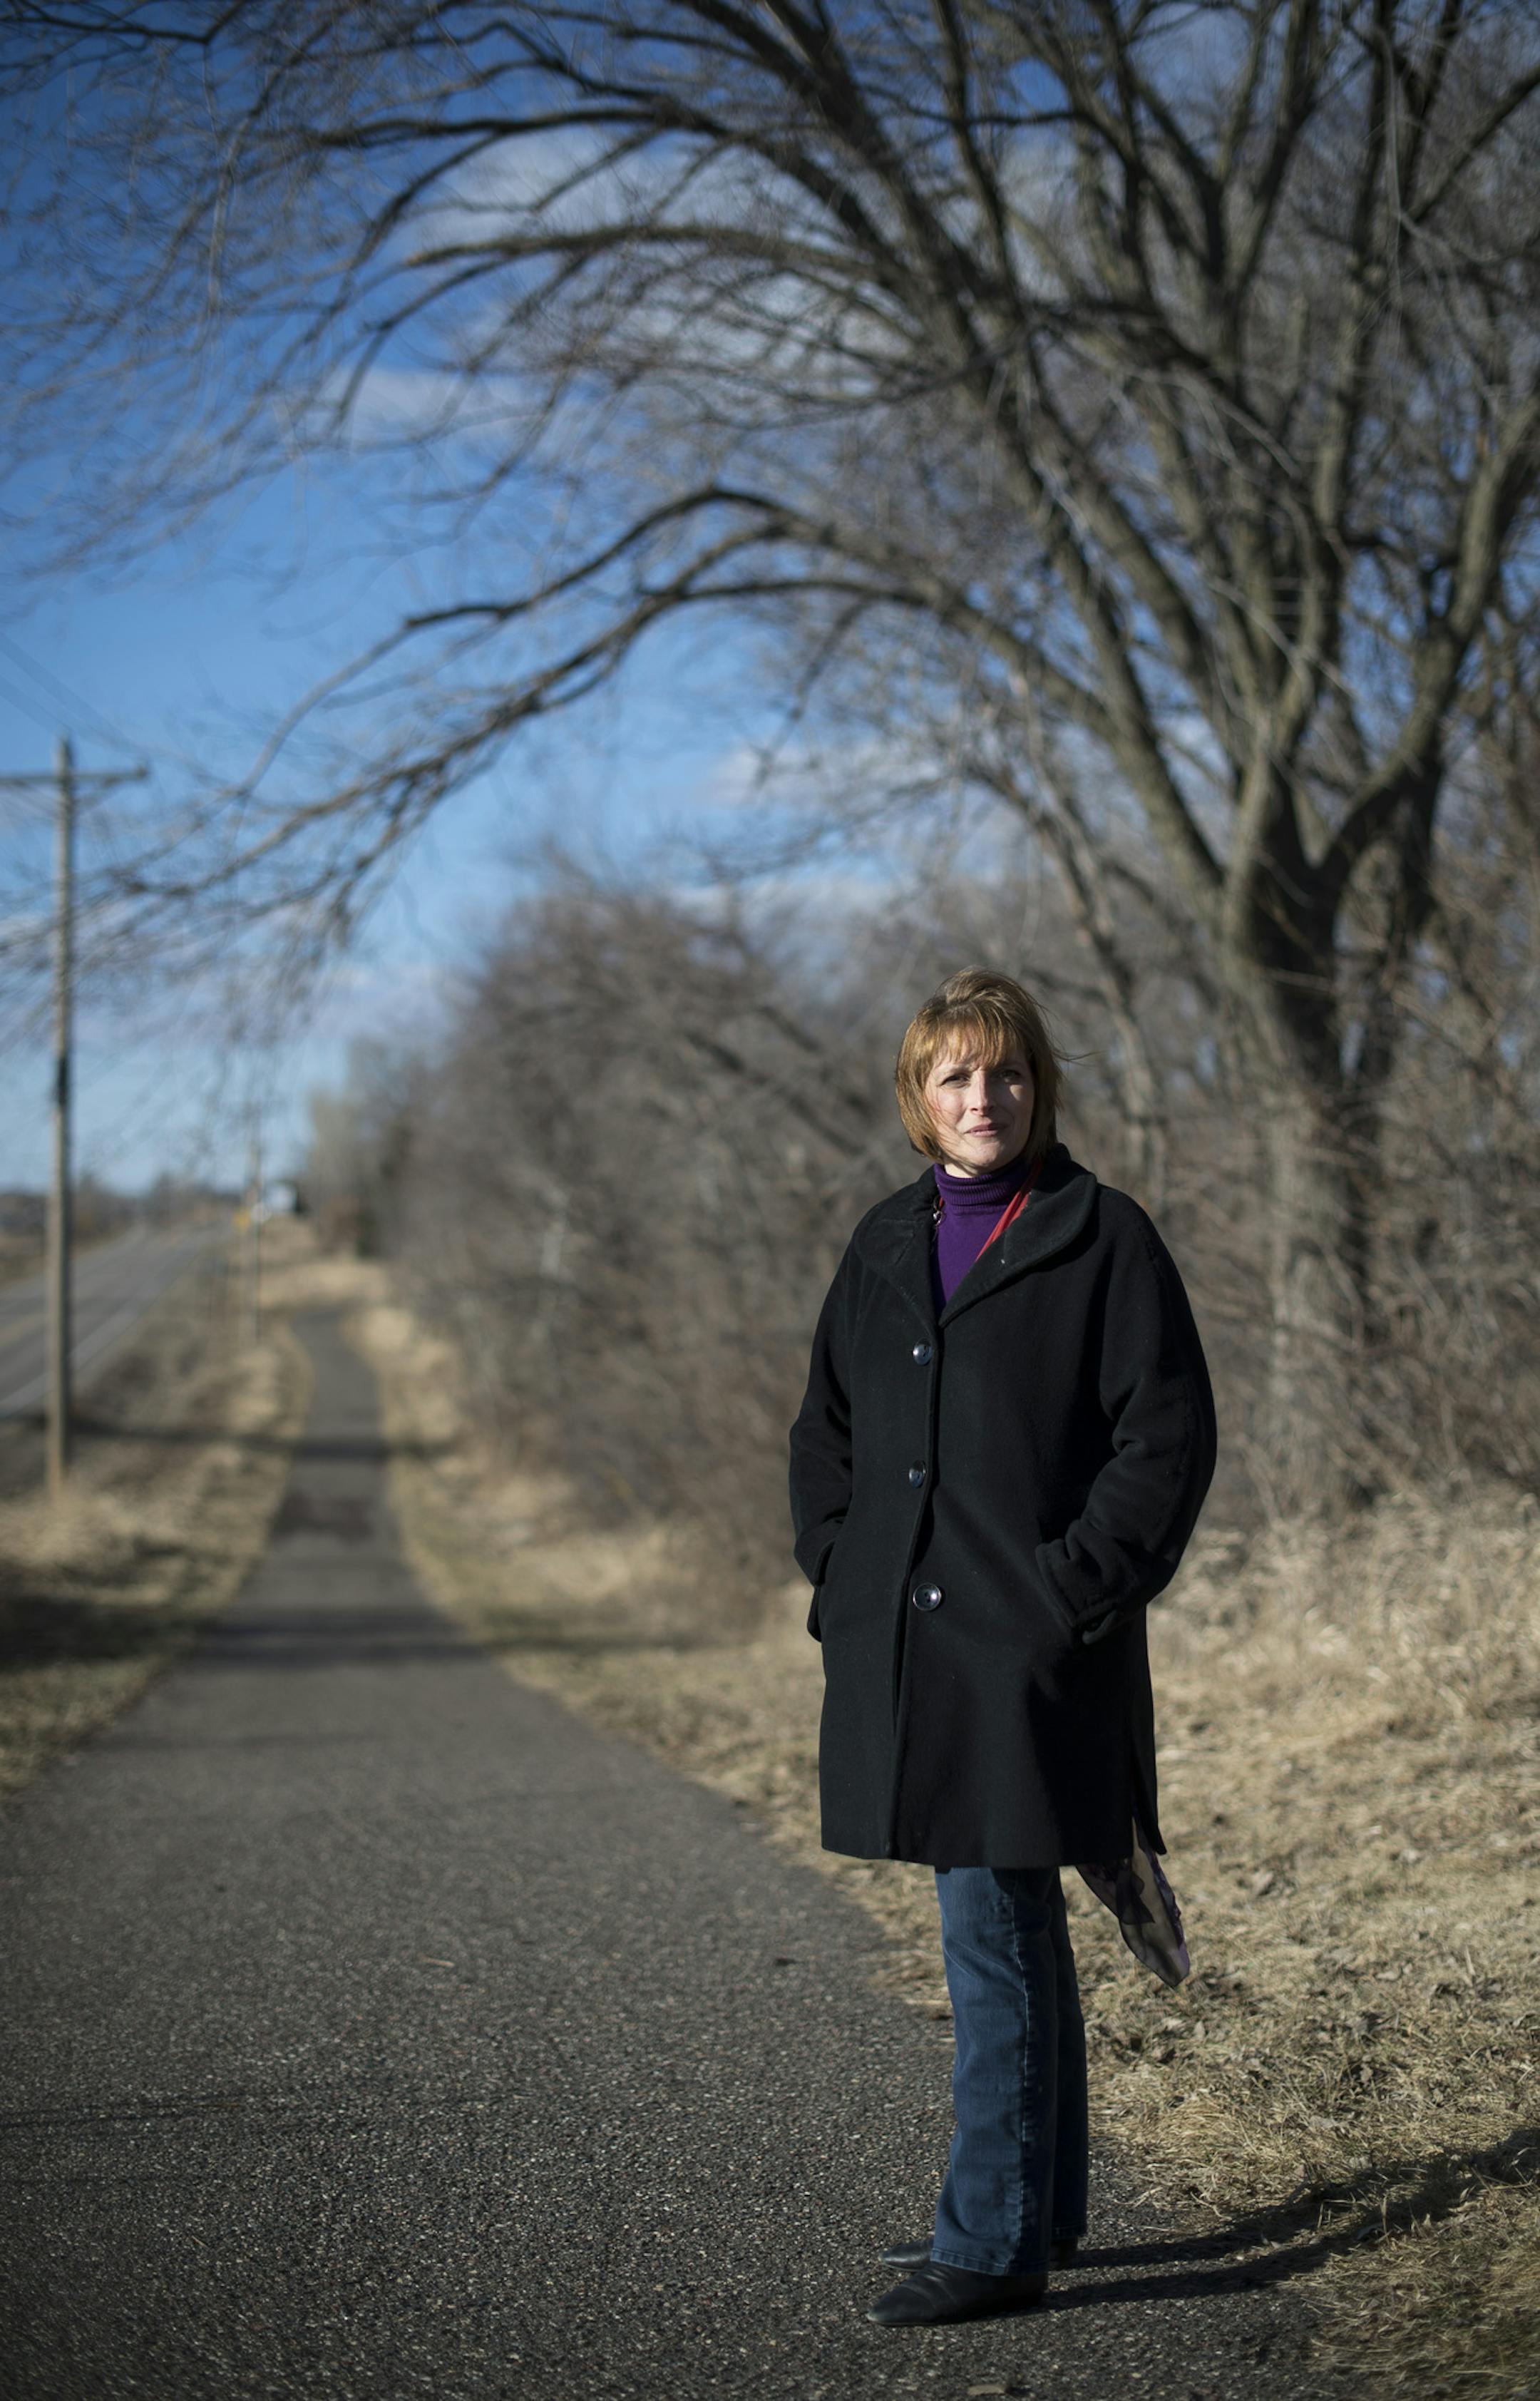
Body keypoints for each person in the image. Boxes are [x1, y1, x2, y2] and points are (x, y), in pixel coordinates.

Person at [788, 967, 1217, 2328]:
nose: (986, 1098)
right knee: (1009, 1923)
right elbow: (826, 1436)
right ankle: (1049, 2213)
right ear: (919, 1099)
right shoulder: (878, 1244)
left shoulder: (1103, 1239)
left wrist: (1070, 1592)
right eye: (957, 1077)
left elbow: (1166, 1439)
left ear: (1041, 1087)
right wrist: (842, 1582)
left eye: (1009, 1073)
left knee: (991, 1932)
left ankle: (988, 2245)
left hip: (1033, 1652)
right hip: (911, 1656)